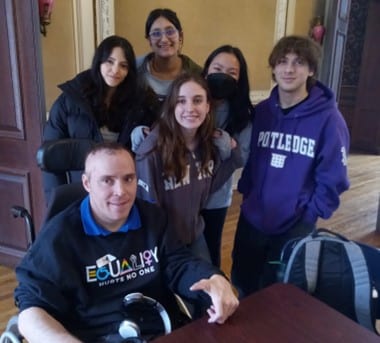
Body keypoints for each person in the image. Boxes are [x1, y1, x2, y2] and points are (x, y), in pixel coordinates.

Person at [14, 142, 239, 343]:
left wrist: (214, 278)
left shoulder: (152, 217)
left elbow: (178, 263)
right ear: (87, 183)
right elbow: (30, 308)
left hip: (160, 329)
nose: (121, 191)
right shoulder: (59, 236)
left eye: (128, 179)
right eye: (107, 181)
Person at [231, 35, 350, 298]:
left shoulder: (329, 119)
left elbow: (334, 178)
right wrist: (247, 192)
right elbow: (252, 160)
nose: (289, 69)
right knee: (242, 284)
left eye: (299, 62)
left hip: (294, 224)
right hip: (253, 216)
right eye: (283, 61)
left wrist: (309, 214)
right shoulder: (262, 112)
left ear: (311, 70)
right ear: (273, 67)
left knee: (280, 292)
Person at [132, 72, 243, 262]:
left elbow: (210, 184)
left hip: (195, 234)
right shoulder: (152, 151)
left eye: (197, 100)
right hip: (164, 243)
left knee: (208, 287)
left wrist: (234, 154)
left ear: (208, 106)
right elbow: (147, 208)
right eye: (181, 101)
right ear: (172, 106)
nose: (190, 108)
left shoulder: (208, 145)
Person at [42, 35, 159, 203]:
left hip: (122, 191)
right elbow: (51, 156)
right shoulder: (71, 99)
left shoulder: (140, 102)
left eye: (123, 65)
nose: (115, 70)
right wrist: (55, 201)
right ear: (99, 62)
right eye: (109, 62)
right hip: (81, 190)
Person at [200, 45, 254, 267]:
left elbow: (241, 158)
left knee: (211, 251)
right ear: (206, 71)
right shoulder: (191, 103)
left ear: (239, 79)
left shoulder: (243, 115)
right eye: (217, 68)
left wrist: (225, 146)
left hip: (216, 198)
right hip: (182, 193)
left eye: (232, 72)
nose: (223, 75)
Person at [137, 8, 202, 104]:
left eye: (170, 32)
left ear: (180, 36)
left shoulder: (197, 74)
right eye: (156, 33)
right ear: (149, 40)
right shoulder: (135, 69)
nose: (164, 39)